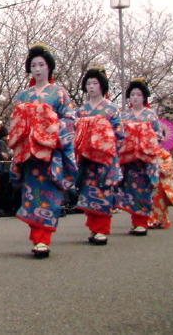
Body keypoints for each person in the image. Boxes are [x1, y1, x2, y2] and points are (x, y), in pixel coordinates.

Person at [7, 43, 77, 258]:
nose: (37, 69)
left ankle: (43, 239)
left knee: (49, 193)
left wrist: (49, 127)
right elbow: (15, 123)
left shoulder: (59, 93)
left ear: (50, 68)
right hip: (29, 154)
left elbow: (70, 120)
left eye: (42, 64)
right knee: (31, 193)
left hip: (49, 153)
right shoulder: (23, 96)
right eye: (34, 65)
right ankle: (37, 237)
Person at [74, 67, 124, 246]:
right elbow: (75, 133)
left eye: (95, 83)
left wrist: (106, 147)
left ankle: (102, 230)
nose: (91, 87)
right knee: (88, 192)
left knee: (103, 192)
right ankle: (95, 228)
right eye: (88, 83)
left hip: (105, 159)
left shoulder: (111, 109)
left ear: (102, 86)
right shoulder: (81, 111)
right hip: (87, 160)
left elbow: (119, 133)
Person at [116, 78, 161, 235]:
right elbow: (119, 135)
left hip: (145, 159)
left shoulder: (151, 115)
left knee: (144, 189)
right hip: (129, 160)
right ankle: (136, 222)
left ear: (144, 97)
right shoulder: (124, 116)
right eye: (133, 94)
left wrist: (146, 137)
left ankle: (142, 222)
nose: (135, 97)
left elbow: (158, 135)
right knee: (131, 190)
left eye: (139, 94)